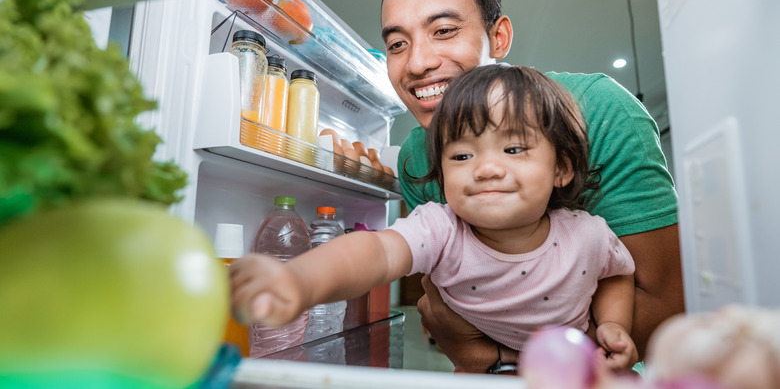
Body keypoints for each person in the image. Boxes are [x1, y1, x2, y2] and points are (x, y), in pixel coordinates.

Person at [380, 0, 683, 372]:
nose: (417, 63)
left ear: (498, 38)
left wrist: (495, 359)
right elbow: (445, 308)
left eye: (444, 30)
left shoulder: (599, 110)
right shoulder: (417, 154)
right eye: (397, 44)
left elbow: (664, 307)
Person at [231, 64, 638, 371]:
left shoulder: (587, 234)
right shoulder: (441, 230)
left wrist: (614, 324)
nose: (487, 168)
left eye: (513, 149)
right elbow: (376, 251)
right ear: (442, 174)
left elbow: (616, 273)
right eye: (462, 155)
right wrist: (299, 280)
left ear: (561, 169)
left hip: (579, 374)